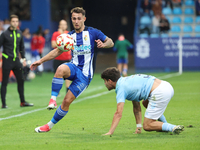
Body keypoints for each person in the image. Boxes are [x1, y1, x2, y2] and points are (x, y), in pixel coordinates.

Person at [30, 7, 114, 133]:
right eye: (74, 18)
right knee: (60, 69)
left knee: (66, 102)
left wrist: (104, 44)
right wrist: (40, 61)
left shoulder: (93, 32)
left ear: (84, 19)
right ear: (71, 19)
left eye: (79, 19)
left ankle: (49, 126)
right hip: (73, 67)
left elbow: (110, 42)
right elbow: (57, 51)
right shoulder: (69, 36)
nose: (76, 21)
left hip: (85, 76)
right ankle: (52, 99)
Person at [101, 67, 184, 135]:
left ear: (110, 81)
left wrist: (110, 132)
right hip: (166, 85)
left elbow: (118, 113)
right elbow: (136, 106)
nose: (105, 84)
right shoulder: (126, 80)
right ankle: (164, 124)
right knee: (145, 103)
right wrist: (138, 126)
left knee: (147, 125)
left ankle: (172, 127)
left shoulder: (121, 88)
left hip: (159, 92)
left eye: (105, 81)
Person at [0, 15, 34, 108]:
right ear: (10, 22)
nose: (15, 23)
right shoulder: (4, 34)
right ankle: (4, 104)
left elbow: (21, 47)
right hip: (7, 61)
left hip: (16, 61)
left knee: (21, 80)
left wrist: (23, 59)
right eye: (13, 21)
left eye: (16, 21)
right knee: (5, 82)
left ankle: (22, 102)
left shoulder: (19, 33)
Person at [51, 20, 72, 94]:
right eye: (61, 24)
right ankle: (57, 90)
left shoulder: (69, 34)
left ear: (66, 26)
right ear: (59, 26)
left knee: (68, 75)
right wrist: (63, 43)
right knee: (56, 75)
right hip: (57, 57)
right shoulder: (56, 34)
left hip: (66, 57)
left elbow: (71, 44)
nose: (63, 26)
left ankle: (67, 89)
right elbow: (53, 45)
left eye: (64, 24)